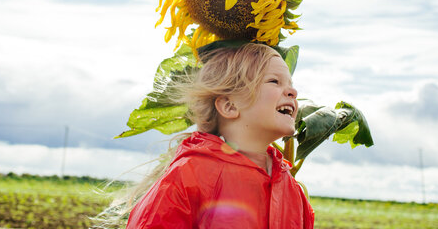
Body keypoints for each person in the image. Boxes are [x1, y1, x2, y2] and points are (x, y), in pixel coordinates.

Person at [122, 43, 315, 229]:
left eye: (290, 84)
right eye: (274, 81)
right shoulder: (190, 175)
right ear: (229, 106)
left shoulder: (293, 190)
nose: (293, 92)